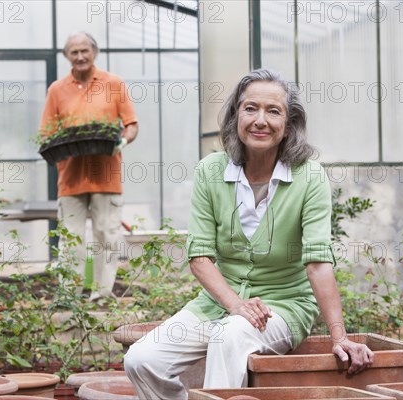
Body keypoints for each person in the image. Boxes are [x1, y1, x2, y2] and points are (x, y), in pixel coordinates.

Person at [124, 69, 373, 399]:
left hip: (284, 307)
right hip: (218, 304)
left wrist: (339, 336)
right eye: (250, 108)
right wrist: (236, 304)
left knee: (229, 336)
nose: (260, 120)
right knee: (141, 360)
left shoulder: (309, 177)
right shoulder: (210, 171)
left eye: (273, 111)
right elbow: (200, 256)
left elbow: (317, 263)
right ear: (235, 115)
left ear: (288, 124)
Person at [39, 32, 138, 300]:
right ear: (67, 56)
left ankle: (103, 295)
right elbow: (47, 132)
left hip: (106, 174)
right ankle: (69, 296)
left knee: (106, 235)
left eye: (85, 51)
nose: (80, 56)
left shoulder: (113, 83)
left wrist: (122, 142)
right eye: (74, 52)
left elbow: (131, 125)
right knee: (71, 240)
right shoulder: (57, 90)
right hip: (70, 178)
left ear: (94, 52)